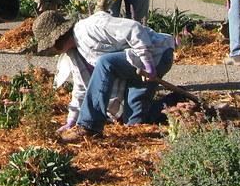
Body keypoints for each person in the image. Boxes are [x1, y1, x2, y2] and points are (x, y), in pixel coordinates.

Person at [32, 10, 175, 141]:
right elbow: (81, 88)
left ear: (57, 36)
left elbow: (133, 28)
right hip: (135, 70)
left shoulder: (89, 27)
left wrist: (147, 61)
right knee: (134, 122)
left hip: (157, 52)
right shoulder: (74, 54)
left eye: (49, 44)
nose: (50, 49)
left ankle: (89, 127)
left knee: (105, 63)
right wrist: (72, 119)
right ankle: (178, 101)